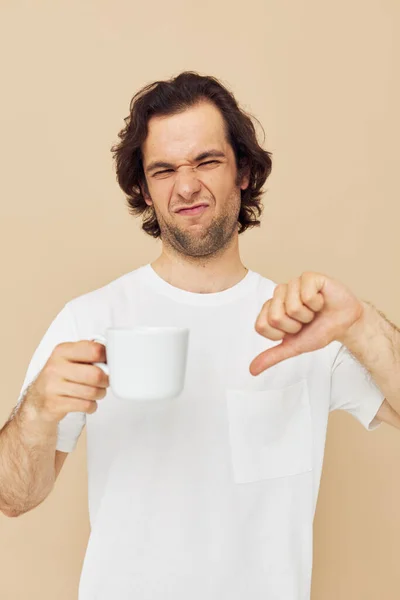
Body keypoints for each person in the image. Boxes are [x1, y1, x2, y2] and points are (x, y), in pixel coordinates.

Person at [0, 71, 399, 600]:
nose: (186, 186)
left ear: (243, 172)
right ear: (143, 188)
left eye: (207, 161)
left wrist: (359, 325)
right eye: (163, 170)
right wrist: (37, 412)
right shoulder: (89, 319)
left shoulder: (305, 324)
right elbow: (13, 497)